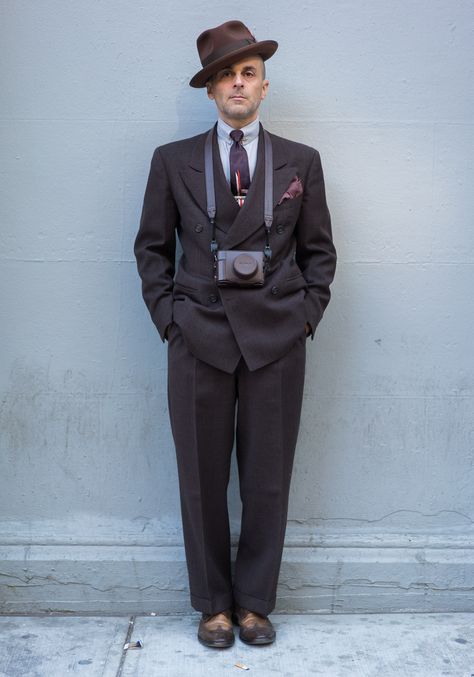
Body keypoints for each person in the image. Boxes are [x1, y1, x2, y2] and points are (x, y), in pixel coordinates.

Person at [134, 20, 337, 649]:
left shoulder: (302, 161)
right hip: (197, 337)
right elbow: (150, 250)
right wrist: (171, 320)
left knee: (268, 477)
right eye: (226, 74)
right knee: (199, 474)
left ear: (264, 86)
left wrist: (306, 314)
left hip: (276, 339)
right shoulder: (172, 162)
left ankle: (254, 604)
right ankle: (212, 605)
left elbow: (320, 253)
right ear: (210, 91)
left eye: (247, 72)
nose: (237, 83)